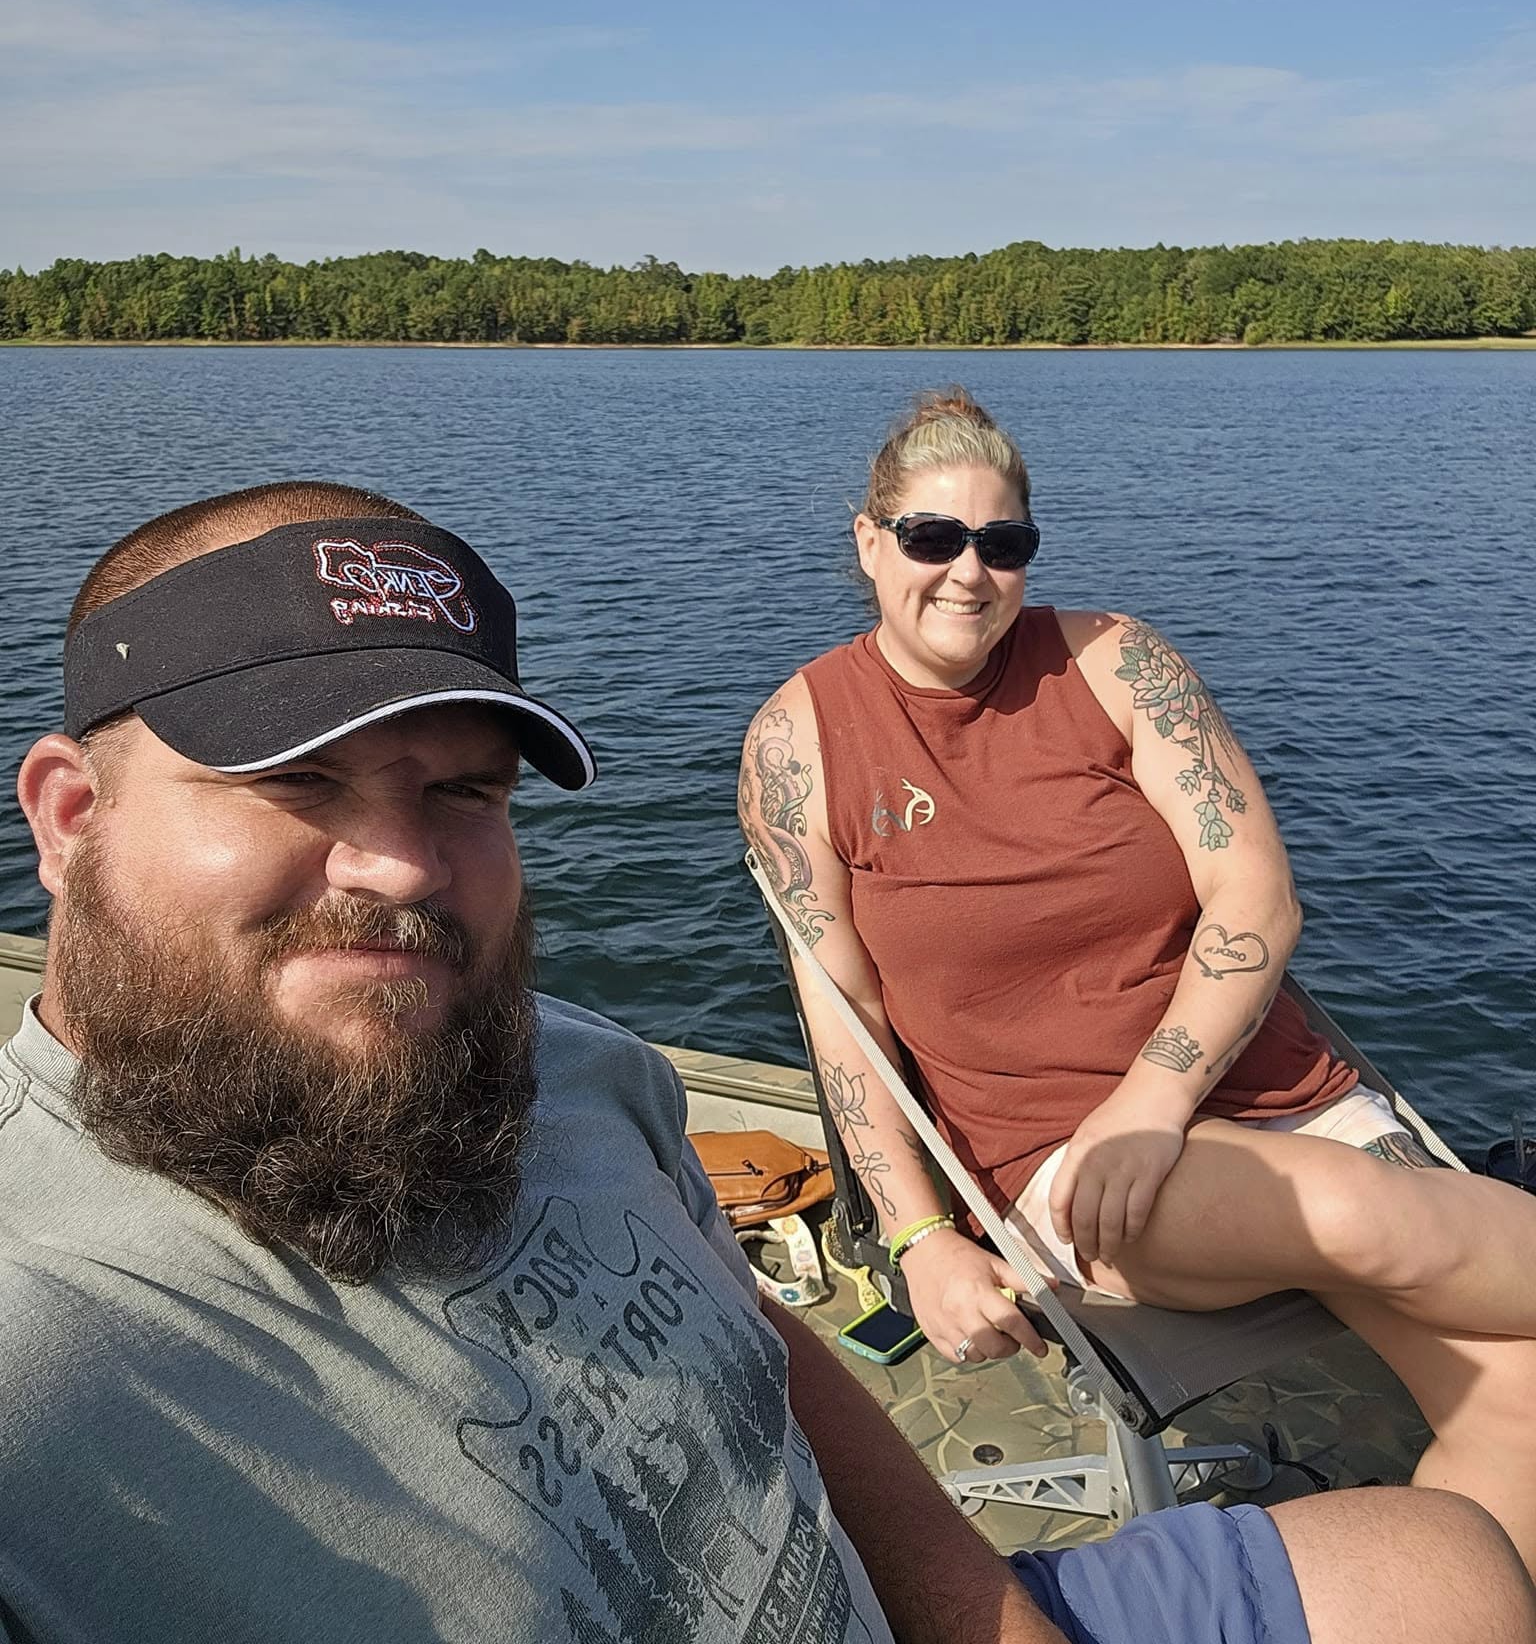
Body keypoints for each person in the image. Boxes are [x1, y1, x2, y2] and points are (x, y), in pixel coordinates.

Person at [1, 482, 1529, 1644]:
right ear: (72, 816)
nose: (402, 864)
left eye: (465, 792)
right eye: (296, 779)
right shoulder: (46, 1349)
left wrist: (979, 1617)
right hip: (1076, 1176)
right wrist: (927, 1230)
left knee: (1445, 1566)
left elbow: (767, 1355)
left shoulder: (581, 1074)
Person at [738, 387, 1536, 1579]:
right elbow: (844, 1017)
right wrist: (918, 1238)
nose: (969, 573)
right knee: (1360, 1212)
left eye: (1003, 544)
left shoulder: (1118, 664)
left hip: (1251, 1093)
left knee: (1521, 1397)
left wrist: (1157, 1094)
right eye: (932, 538)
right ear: (869, 541)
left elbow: (1255, 896)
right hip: (1074, 1159)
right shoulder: (801, 741)